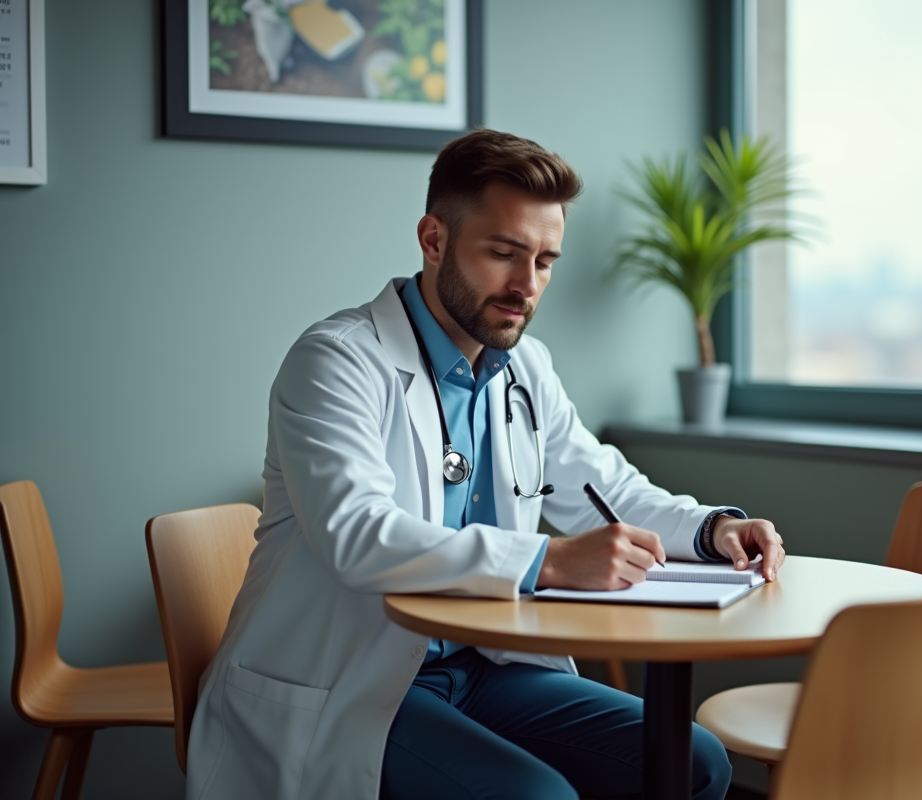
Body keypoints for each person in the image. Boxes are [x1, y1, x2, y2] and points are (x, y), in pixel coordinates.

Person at [185, 129, 787, 800]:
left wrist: (710, 529)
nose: (526, 286)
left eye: (546, 260)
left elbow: (602, 488)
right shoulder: (336, 361)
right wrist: (547, 562)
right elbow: (356, 536)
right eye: (503, 253)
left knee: (694, 762)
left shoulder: (524, 367)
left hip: (488, 668)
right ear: (434, 239)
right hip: (356, 681)